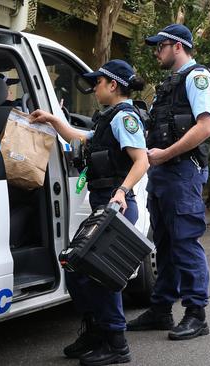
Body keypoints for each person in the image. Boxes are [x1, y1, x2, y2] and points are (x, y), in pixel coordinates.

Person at [30, 59, 149, 365]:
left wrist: (121, 192)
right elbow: (81, 139)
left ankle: (116, 343)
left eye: (98, 82)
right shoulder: (106, 118)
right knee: (76, 270)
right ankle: (95, 332)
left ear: (113, 85)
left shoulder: (125, 118)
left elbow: (141, 160)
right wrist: (53, 121)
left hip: (117, 205)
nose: (95, 87)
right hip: (102, 205)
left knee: (101, 277)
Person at [126, 24, 210, 341]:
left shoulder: (196, 78)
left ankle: (196, 314)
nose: (156, 51)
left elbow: (206, 127)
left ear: (177, 46)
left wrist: (166, 154)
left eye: (160, 46)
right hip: (163, 175)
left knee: (185, 243)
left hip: (181, 172)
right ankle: (162, 309)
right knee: (162, 244)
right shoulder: (169, 84)